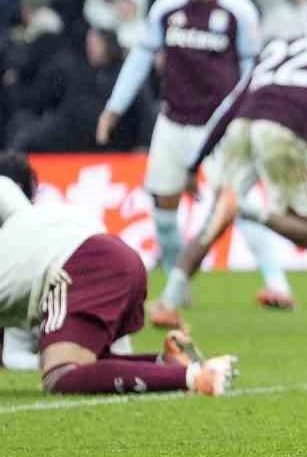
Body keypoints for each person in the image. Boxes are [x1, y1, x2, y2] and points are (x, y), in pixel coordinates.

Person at [149, 0, 307, 327]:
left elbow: (232, 102)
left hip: (242, 126)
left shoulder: (278, 46)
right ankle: (248, 209)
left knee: (213, 221)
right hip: (282, 128)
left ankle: (168, 301)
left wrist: (195, 162)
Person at [95, 0, 295, 310]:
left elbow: (251, 71)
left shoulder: (239, 11)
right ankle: (177, 289)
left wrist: (250, 116)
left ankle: (277, 284)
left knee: (238, 203)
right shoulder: (167, 6)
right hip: (173, 122)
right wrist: (114, 107)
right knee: (163, 210)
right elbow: (141, 58)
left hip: (219, 127)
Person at [0, 152, 236, 396]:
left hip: (81, 267)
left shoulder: (11, 253)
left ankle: (196, 377)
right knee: (87, 361)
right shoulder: (31, 219)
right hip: (120, 256)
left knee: (60, 375)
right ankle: (166, 363)